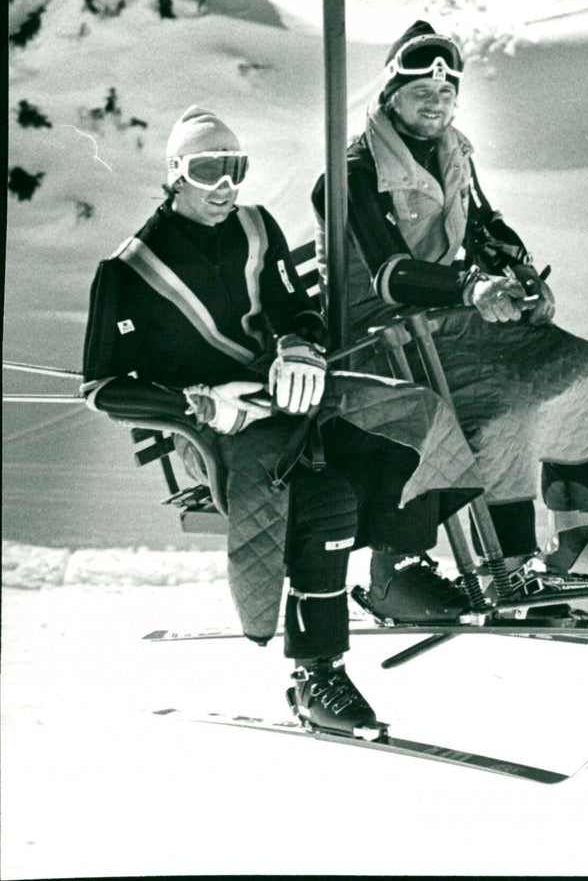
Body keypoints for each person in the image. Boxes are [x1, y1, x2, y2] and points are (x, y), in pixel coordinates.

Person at [81, 106, 483, 738]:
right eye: (207, 170)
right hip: (215, 428)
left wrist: (299, 345)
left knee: (411, 417)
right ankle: (316, 673)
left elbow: (296, 309)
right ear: (175, 174)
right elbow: (102, 388)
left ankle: (399, 571)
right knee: (323, 499)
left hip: (287, 395)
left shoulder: (255, 227)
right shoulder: (127, 270)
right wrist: (197, 401)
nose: (224, 187)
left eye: (234, 170)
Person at [311, 21, 588, 590]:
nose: (436, 104)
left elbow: (484, 224)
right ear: (391, 98)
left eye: (445, 93)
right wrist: (470, 289)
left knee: (579, 366)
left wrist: (519, 273)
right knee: (503, 402)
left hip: (446, 323)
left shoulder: (453, 152)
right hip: (382, 338)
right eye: (420, 93)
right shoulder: (353, 175)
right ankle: (508, 560)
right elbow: (389, 274)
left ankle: (580, 536)